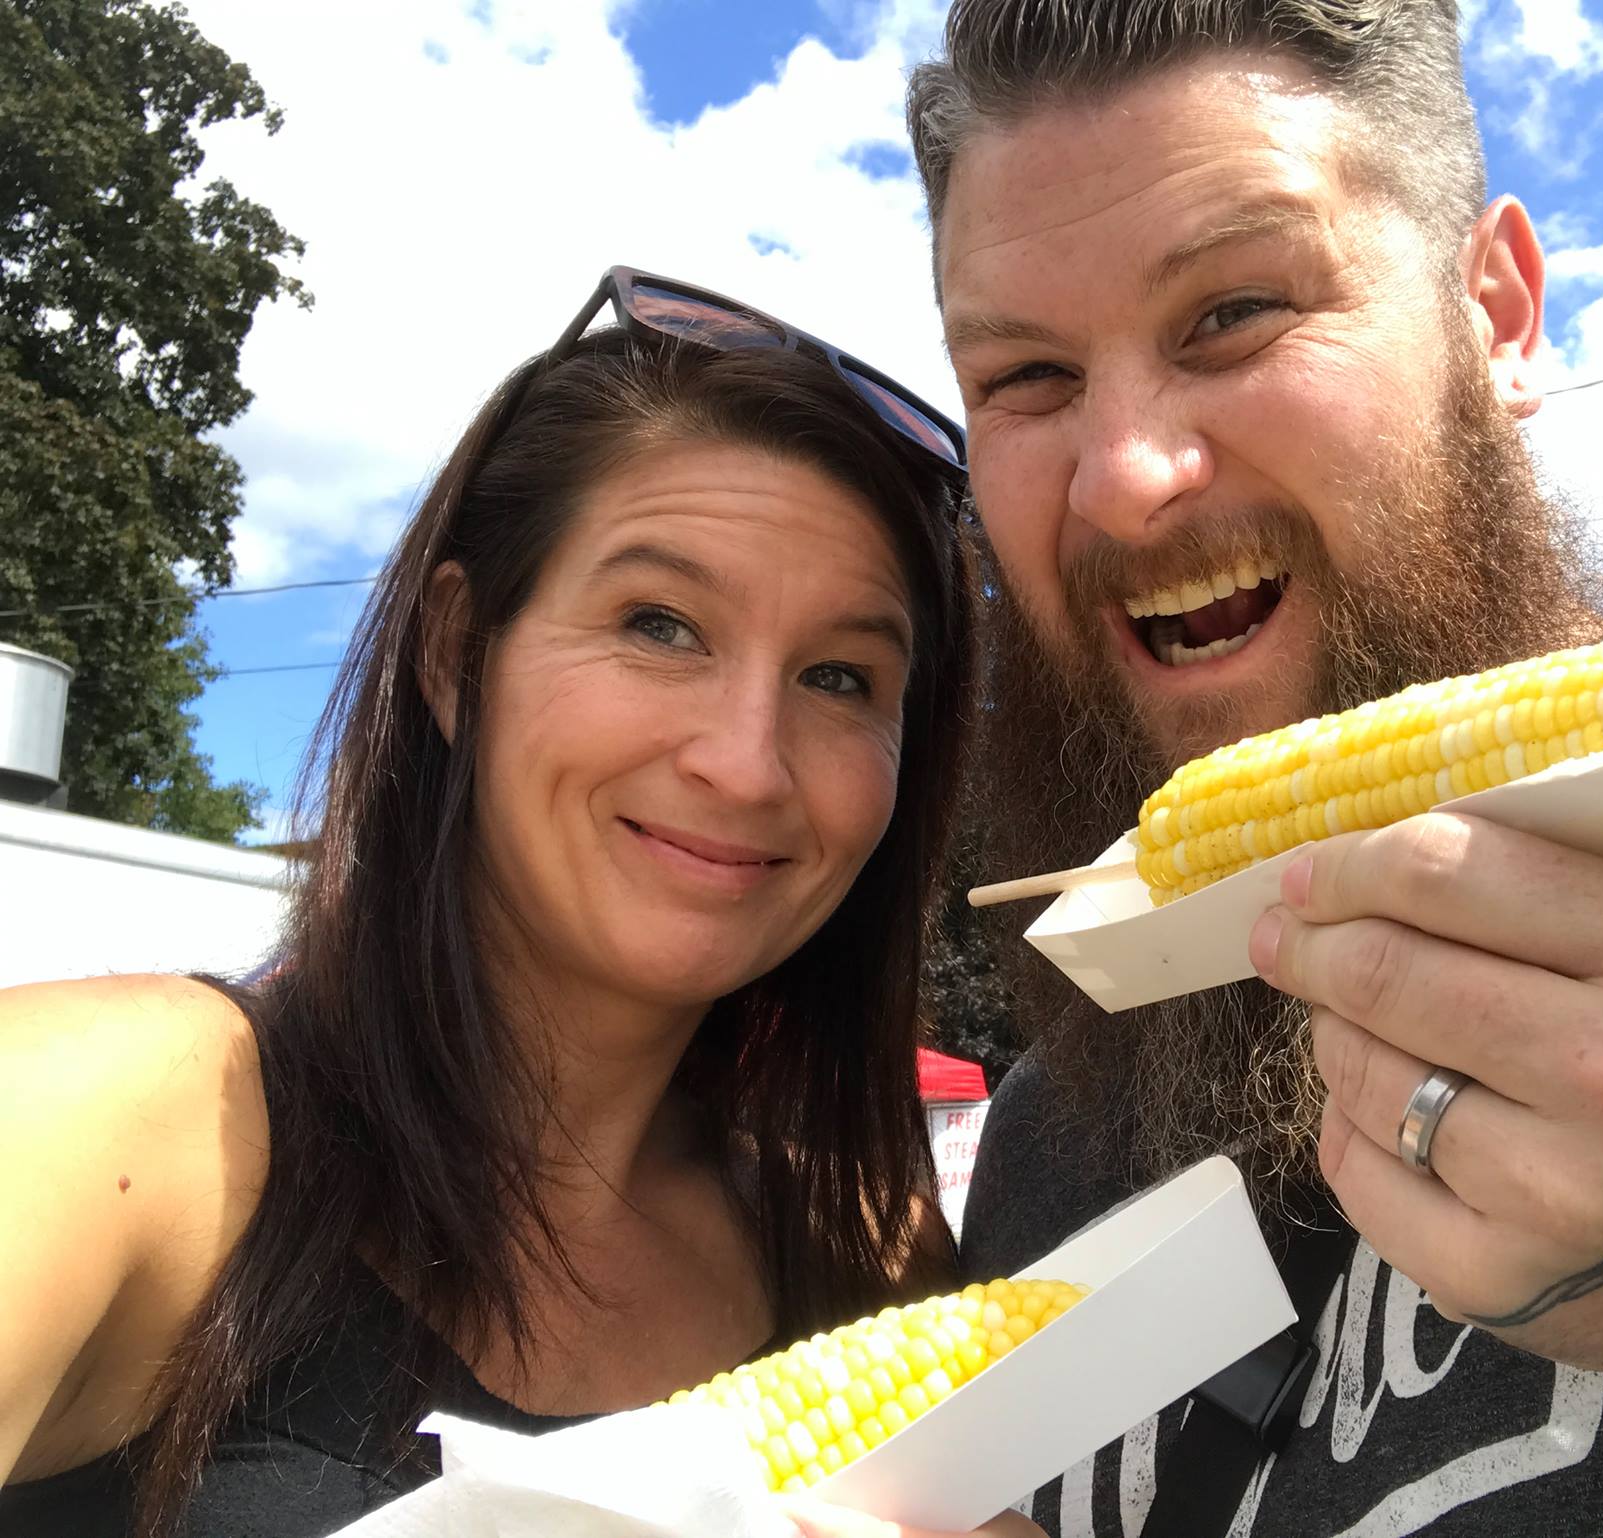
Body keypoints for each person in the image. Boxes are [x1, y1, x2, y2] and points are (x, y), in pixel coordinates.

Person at [905, 5, 1603, 1535]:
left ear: (1497, 313)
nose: (1121, 477)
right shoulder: (1054, 1129)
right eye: (1029, 379)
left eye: (1233, 311)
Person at [0, 268, 1042, 1538]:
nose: (747, 760)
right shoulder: (120, 1112)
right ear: (454, 653)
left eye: (839, 675)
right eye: (659, 623)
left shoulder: (868, 1253)